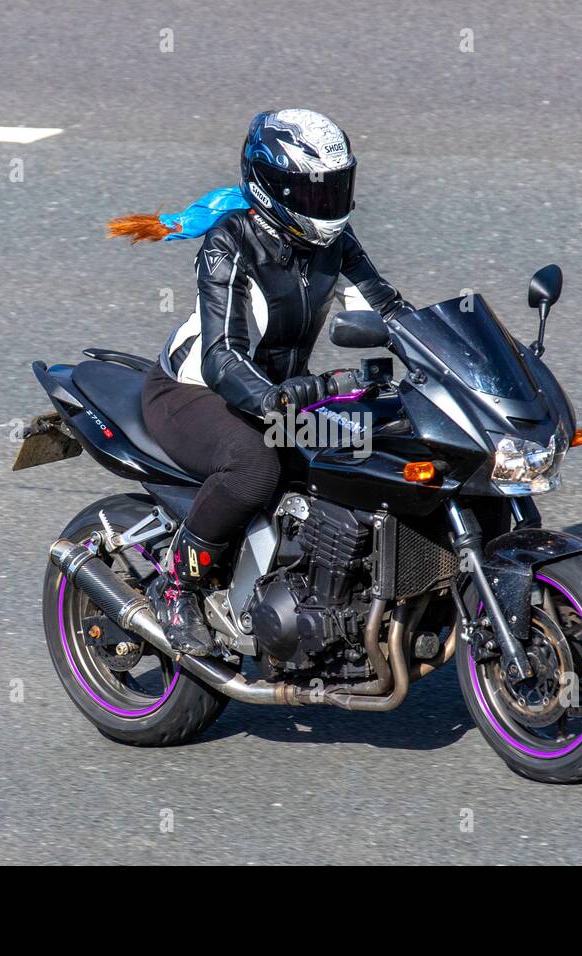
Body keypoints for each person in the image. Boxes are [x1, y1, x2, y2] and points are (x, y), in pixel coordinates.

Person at [108, 109, 413, 655]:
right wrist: (277, 400)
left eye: (337, 189)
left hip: (281, 395)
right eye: (316, 193)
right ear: (273, 189)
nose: (331, 205)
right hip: (192, 393)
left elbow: (389, 307)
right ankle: (177, 584)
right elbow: (224, 356)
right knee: (256, 465)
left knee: (367, 453)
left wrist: (449, 357)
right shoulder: (230, 243)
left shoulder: (332, 242)